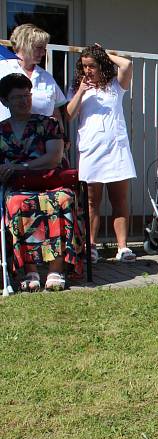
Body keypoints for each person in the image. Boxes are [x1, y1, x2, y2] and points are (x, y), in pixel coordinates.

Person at [0, 73, 80, 291]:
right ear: (5, 101)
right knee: (17, 204)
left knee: (62, 199)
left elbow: (54, 157)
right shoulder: (1, 129)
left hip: (50, 182)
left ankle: (56, 268)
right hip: (16, 188)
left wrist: (19, 166)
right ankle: (30, 270)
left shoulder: (48, 124)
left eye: (27, 95)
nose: (25, 101)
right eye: (18, 97)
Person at [65, 44, 136, 263]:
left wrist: (104, 53)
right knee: (91, 203)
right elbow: (68, 115)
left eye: (92, 65)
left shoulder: (115, 85)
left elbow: (127, 64)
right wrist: (81, 91)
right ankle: (91, 246)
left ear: (101, 65)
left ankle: (122, 248)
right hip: (91, 151)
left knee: (119, 200)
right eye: (84, 66)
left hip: (117, 150)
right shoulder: (77, 87)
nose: (88, 70)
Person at [0, 24, 67, 126]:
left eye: (44, 48)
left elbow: (56, 112)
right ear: (24, 45)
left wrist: (62, 136)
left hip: (42, 138)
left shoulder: (47, 77)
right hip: (8, 137)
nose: (43, 53)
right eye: (39, 48)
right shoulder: (3, 68)